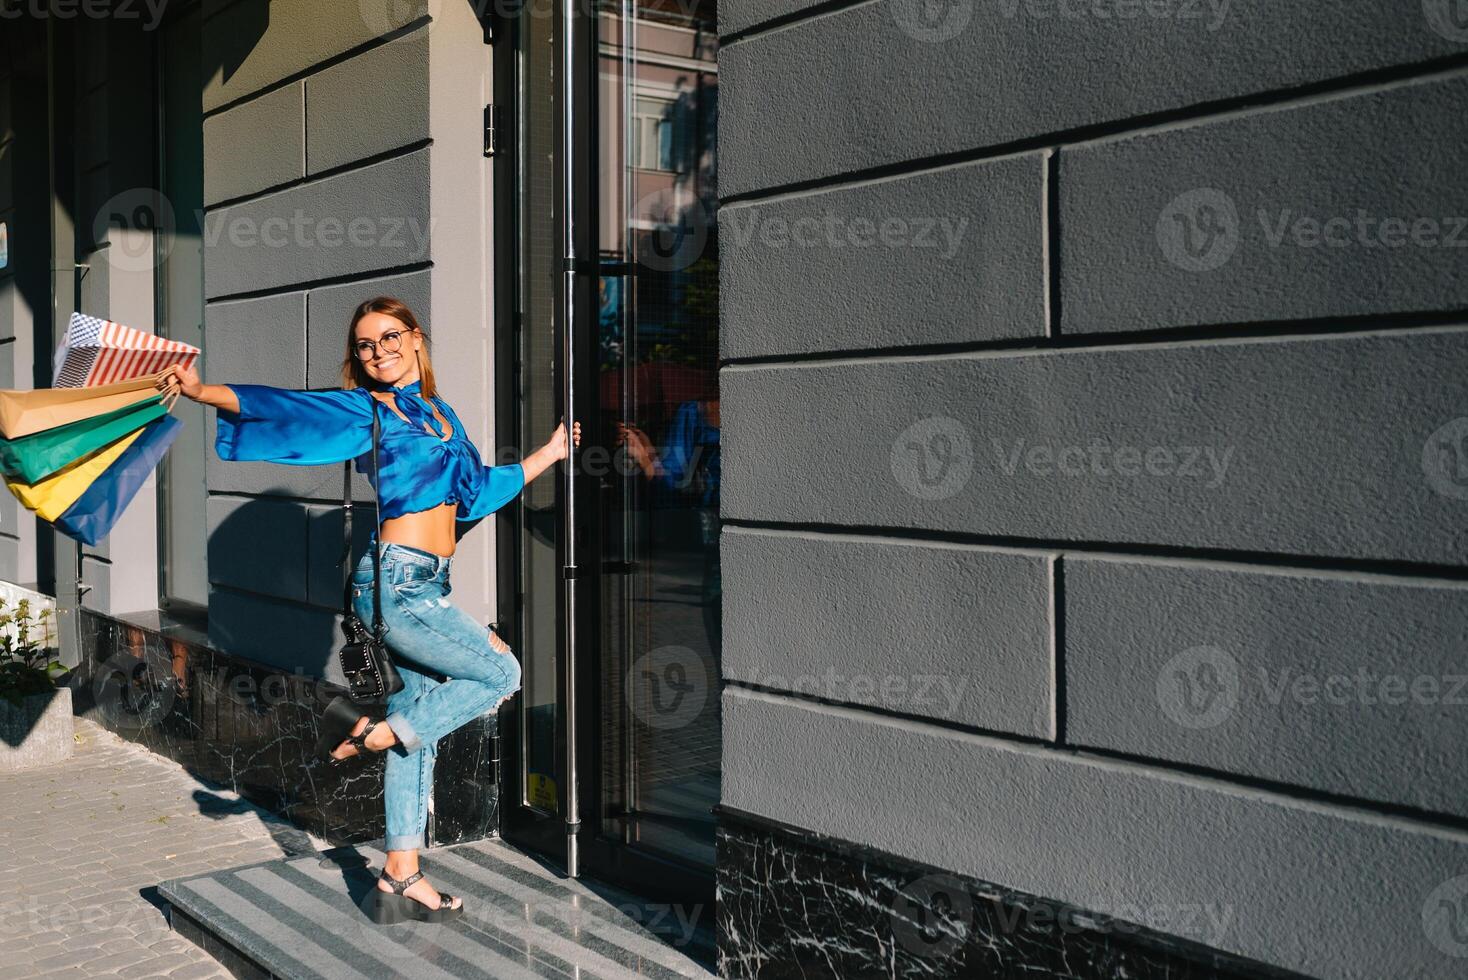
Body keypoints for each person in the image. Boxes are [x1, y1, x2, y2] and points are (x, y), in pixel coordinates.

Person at [160, 296, 579, 925]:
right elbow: (287, 407)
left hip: (427, 583)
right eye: (365, 345)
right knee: (500, 674)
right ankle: (373, 734)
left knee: (419, 724)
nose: (379, 351)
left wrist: (547, 455)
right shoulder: (369, 410)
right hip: (394, 583)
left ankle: (401, 873)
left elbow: (477, 492)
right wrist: (202, 393)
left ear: (415, 339)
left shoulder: (441, 415)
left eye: (389, 337)